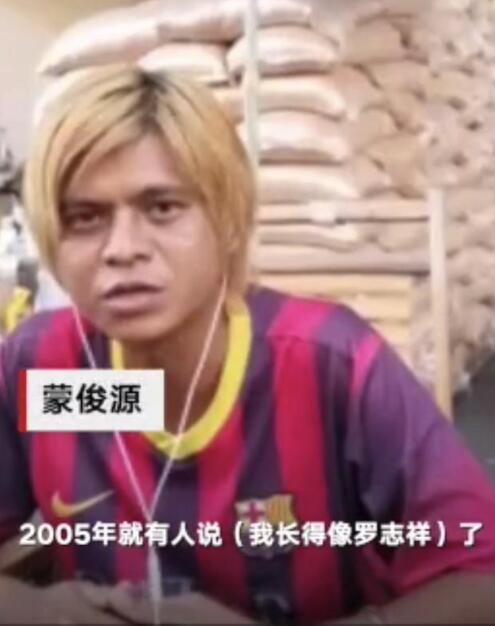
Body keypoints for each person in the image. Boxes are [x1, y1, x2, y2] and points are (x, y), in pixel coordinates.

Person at [0, 65, 494, 625]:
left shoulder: (326, 367)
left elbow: (481, 575)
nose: (123, 248)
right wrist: (46, 610)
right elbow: (132, 400)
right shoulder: (49, 374)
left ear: (229, 221)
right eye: (85, 218)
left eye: (162, 208)